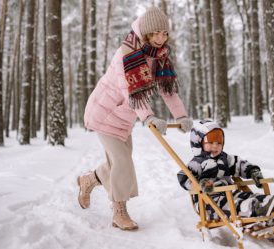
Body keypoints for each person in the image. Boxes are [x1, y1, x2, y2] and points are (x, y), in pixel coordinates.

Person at [77, 7, 193, 231]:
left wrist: (182, 115)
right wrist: (149, 116)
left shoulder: (158, 56)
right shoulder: (126, 54)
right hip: (104, 114)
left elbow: (167, 90)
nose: (161, 38)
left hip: (123, 119)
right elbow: (130, 92)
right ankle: (119, 212)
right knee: (122, 162)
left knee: (117, 164)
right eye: (156, 33)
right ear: (147, 33)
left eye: (165, 33)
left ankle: (89, 180)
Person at [177, 120, 274, 219]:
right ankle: (255, 209)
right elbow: (183, 177)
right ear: (198, 143)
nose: (215, 145)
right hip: (210, 203)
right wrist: (200, 185)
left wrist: (252, 171)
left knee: (248, 196)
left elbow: (239, 164)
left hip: (230, 193)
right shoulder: (196, 163)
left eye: (219, 142)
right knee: (236, 203)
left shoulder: (225, 158)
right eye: (211, 142)